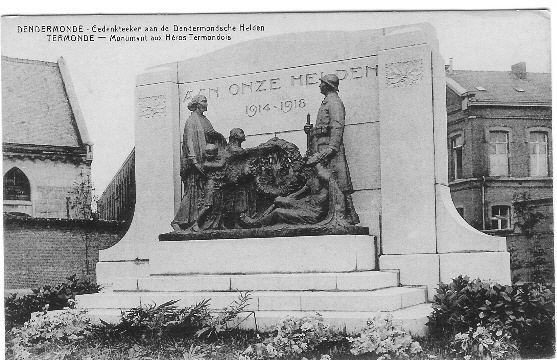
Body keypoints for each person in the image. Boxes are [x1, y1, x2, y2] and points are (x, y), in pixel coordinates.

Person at [304, 74, 359, 225]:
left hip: (329, 150)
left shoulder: (334, 102)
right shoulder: (326, 102)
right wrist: (310, 131)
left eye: (321, 84)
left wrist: (331, 148)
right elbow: (324, 128)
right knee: (329, 183)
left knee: (339, 183)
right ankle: (342, 216)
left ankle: (345, 216)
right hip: (322, 146)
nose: (319, 86)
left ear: (327, 85)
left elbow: (337, 126)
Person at [171, 95, 226, 231]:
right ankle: (177, 221)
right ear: (197, 104)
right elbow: (189, 142)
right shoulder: (191, 121)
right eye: (204, 101)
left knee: (200, 195)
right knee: (192, 192)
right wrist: (194, 161)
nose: (206, 103)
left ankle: (195, 223)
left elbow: (211, 138)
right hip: (196, 164)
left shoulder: (205, 120)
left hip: (205, 161)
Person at [240, 163, 329, 227]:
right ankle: (260, 218)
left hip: (312, 213)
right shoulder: (313, 179)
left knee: (278, 211)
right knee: (278, 199)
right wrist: (285, 200)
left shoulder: (327, 182)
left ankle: (257, 223)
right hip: (305, 204)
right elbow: (297, 194)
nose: (307, 170)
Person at [191, 144, 227, 231]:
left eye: (212, 153)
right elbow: (221, 165)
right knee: (207, 206)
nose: (209, 155)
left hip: (219, 185)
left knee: (220, 206)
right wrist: (226, 156)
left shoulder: (216, 160)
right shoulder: (206, 164)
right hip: (211, 185)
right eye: (208, 153)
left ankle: (219, 224)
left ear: (216, 153)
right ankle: (195, 223)